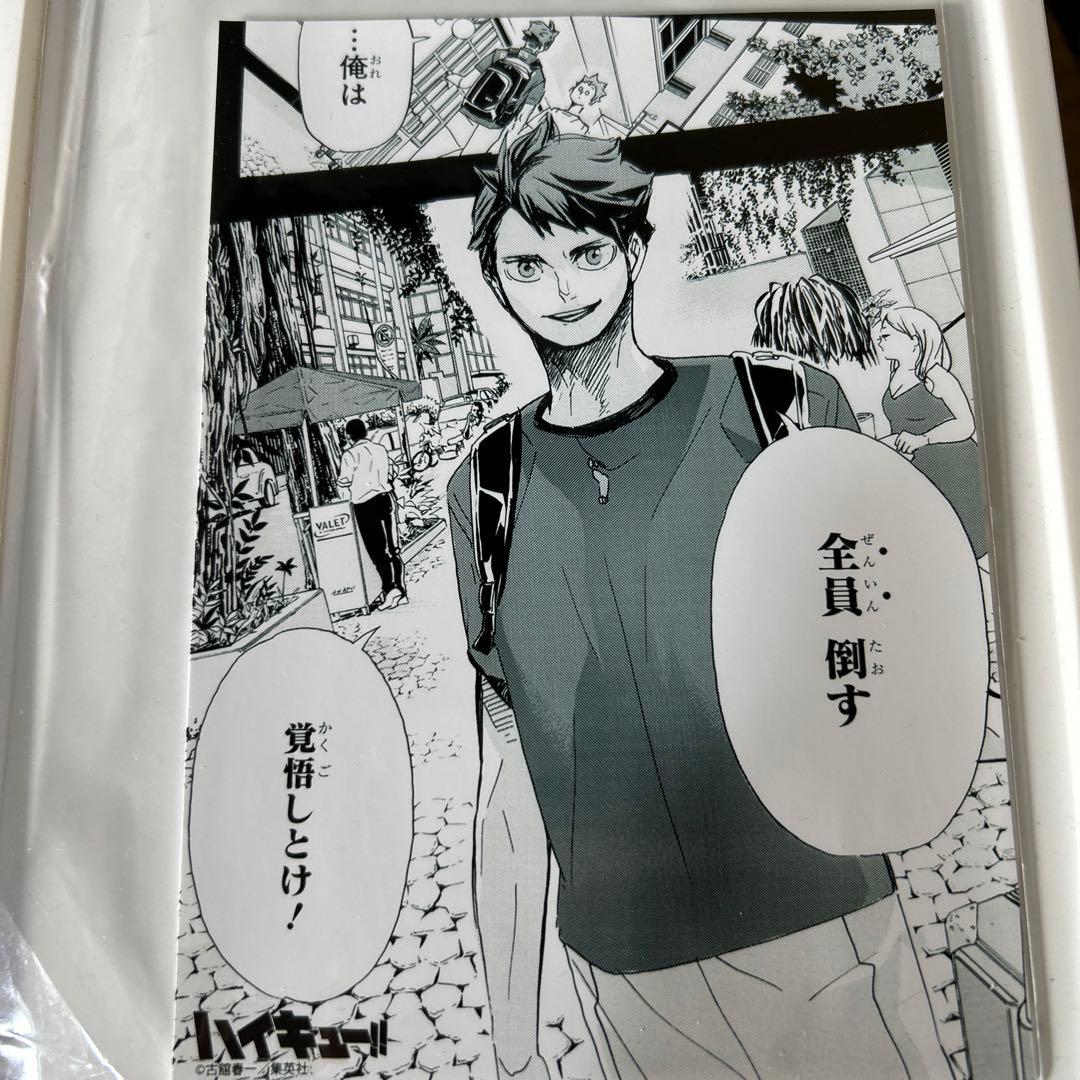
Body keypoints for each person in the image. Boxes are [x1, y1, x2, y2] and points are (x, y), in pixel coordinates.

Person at [447, 117, 951, 1080]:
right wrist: (511, 1038)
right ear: (497, 283)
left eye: (587, 253)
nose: (562, 290)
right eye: (528, 266)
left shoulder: (778, 407)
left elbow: (889, 655)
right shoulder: (486, 488)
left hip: (824, 919)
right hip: (629, 971)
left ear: (635, 251)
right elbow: (507, 768)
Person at [876, 306, 987, 559]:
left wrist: (923, 439)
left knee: (966, 542)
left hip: (954, 469)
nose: (879, 340)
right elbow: (903, 426)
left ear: (913, 340)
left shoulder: (937, 377)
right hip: (922, 469)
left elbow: (965, 424)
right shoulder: (895, 375)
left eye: (886, 336)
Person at [447, 20, 558, 156]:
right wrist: (504, 144)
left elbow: (464, 82)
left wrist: (449, 76)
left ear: (526, 37)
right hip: (492, 125)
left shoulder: (500, 54)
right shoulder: (538, 78)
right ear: (543, 47)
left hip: (467, 112)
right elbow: (520, 119)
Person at [337, 418, 407, 610]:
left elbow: (344, 481)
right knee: (392, 548)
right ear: (366, 432)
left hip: (365, 504)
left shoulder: (349, 455)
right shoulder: (380, 449)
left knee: (378, 552)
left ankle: (390, 590)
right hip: (385, 499)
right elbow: (392, 471)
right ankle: (401, 590)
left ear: (348, 436)